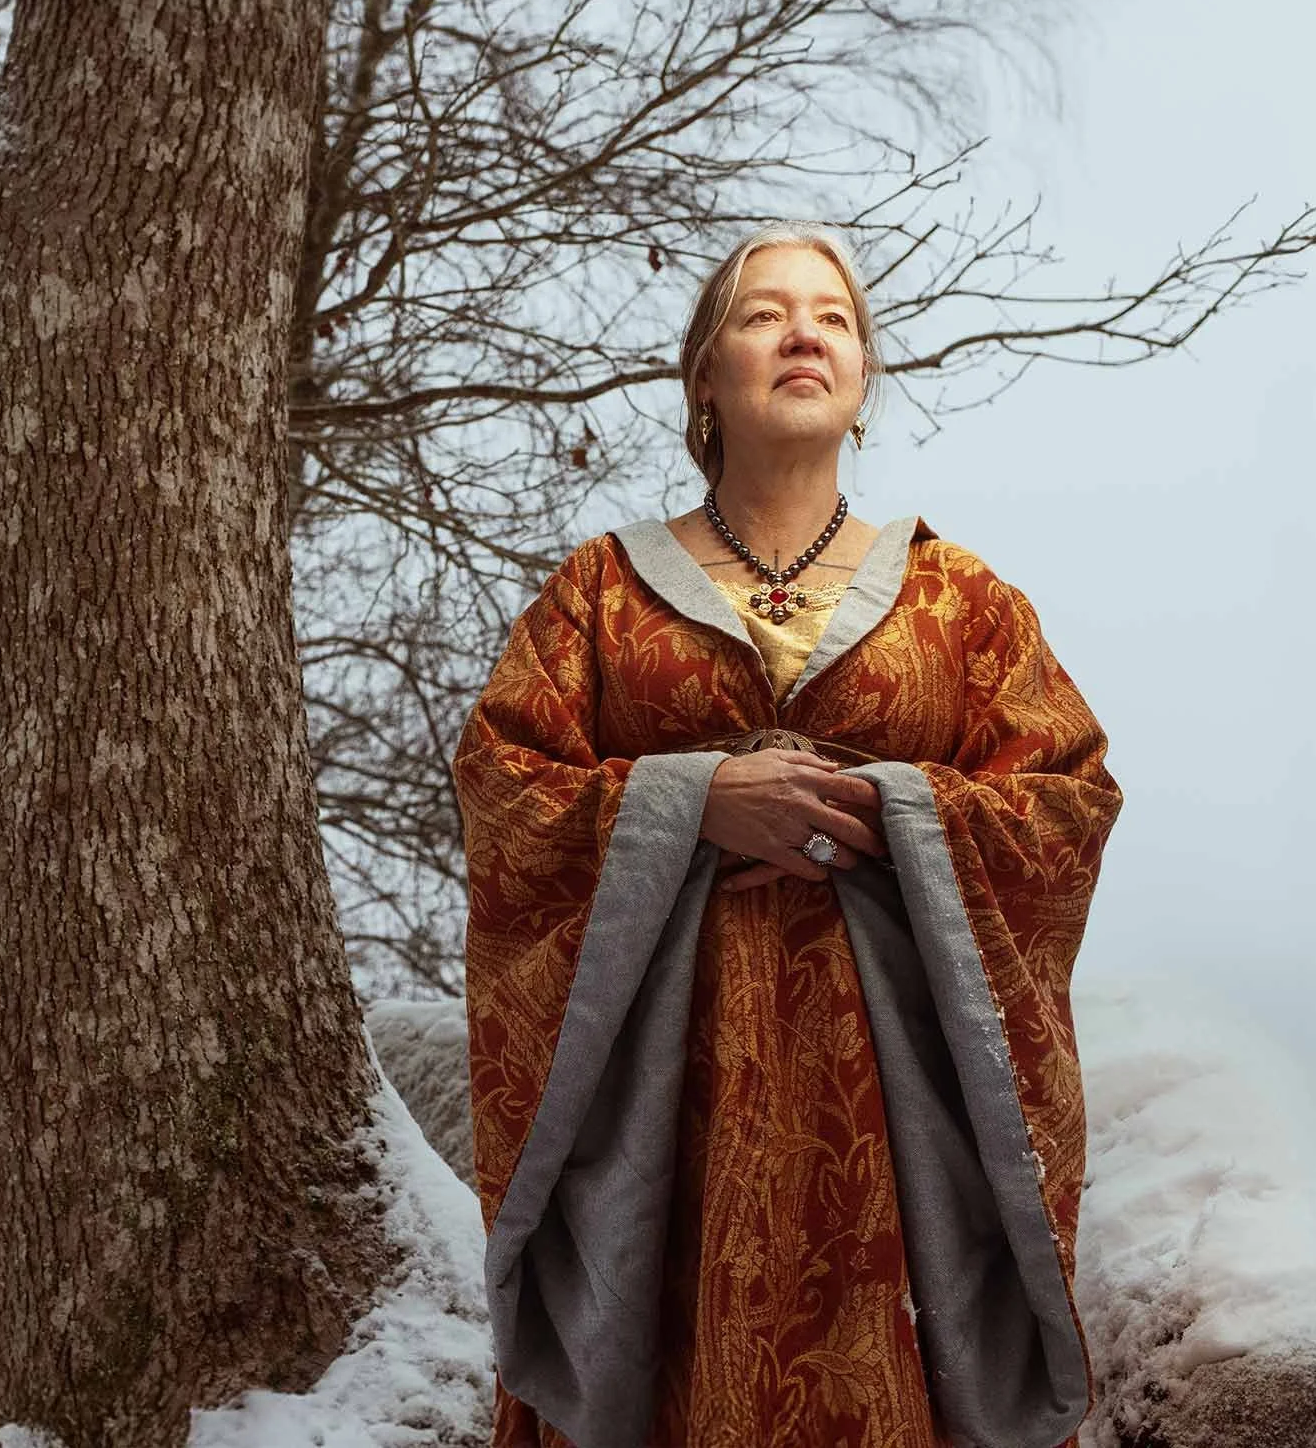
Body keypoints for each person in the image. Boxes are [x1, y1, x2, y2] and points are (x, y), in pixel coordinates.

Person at [451, 220, 1125, 1448]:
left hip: (891, 1120)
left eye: (834, 316)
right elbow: (501, 788)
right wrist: (687, 801)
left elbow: (1067, 799)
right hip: (664, 1108)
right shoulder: (596, 593)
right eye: (761, 314)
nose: (804, 331)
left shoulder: (958, 600)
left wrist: (897, 812)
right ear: (703, 378)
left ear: (861, 379)